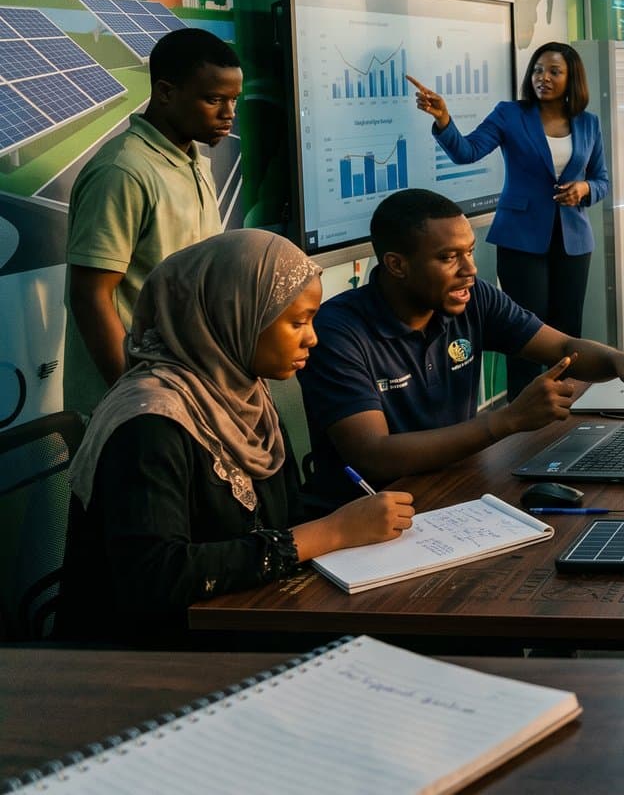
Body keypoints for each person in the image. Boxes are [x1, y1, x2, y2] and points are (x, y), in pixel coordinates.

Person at [58, 230, 414, 646]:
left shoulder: (247, 395)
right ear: (236, 315)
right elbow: (154, 578)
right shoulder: (149, 424)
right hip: (150, 660)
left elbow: (283, 518)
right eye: (297, 321)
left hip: (245, 618)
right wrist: (331, 532)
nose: (312, 337)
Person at [297, 189, 624, 508]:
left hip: (457, 487)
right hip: (371, 516)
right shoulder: (337, 331)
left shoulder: (472, 299)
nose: (470, 269)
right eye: (448, 257)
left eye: (470, 252)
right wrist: (505, 421)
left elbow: (563, 347)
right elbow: (374, 456)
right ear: (397, 265)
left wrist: (618, 360)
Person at [413, 41, 610, 396]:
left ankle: (564, 411)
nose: (543, 78)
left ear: (572, 78)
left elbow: (602, 181)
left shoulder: (588, 124)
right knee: (525, 333)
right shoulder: (510, 114)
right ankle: (523, 415)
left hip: (574, 241)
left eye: (554, 71)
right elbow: (466, 151)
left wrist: (583, 189)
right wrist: (444, 119)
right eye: (537, 70)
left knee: (568, 332)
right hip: (521, 238)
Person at [64, 28, 240, 416]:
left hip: (188, 393)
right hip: (134, 410)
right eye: (214, 100)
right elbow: (90, 296)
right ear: (164, 93)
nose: (229, 114)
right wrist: (135, 396)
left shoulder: (196, 164)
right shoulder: (123, 170)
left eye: (233, 100)